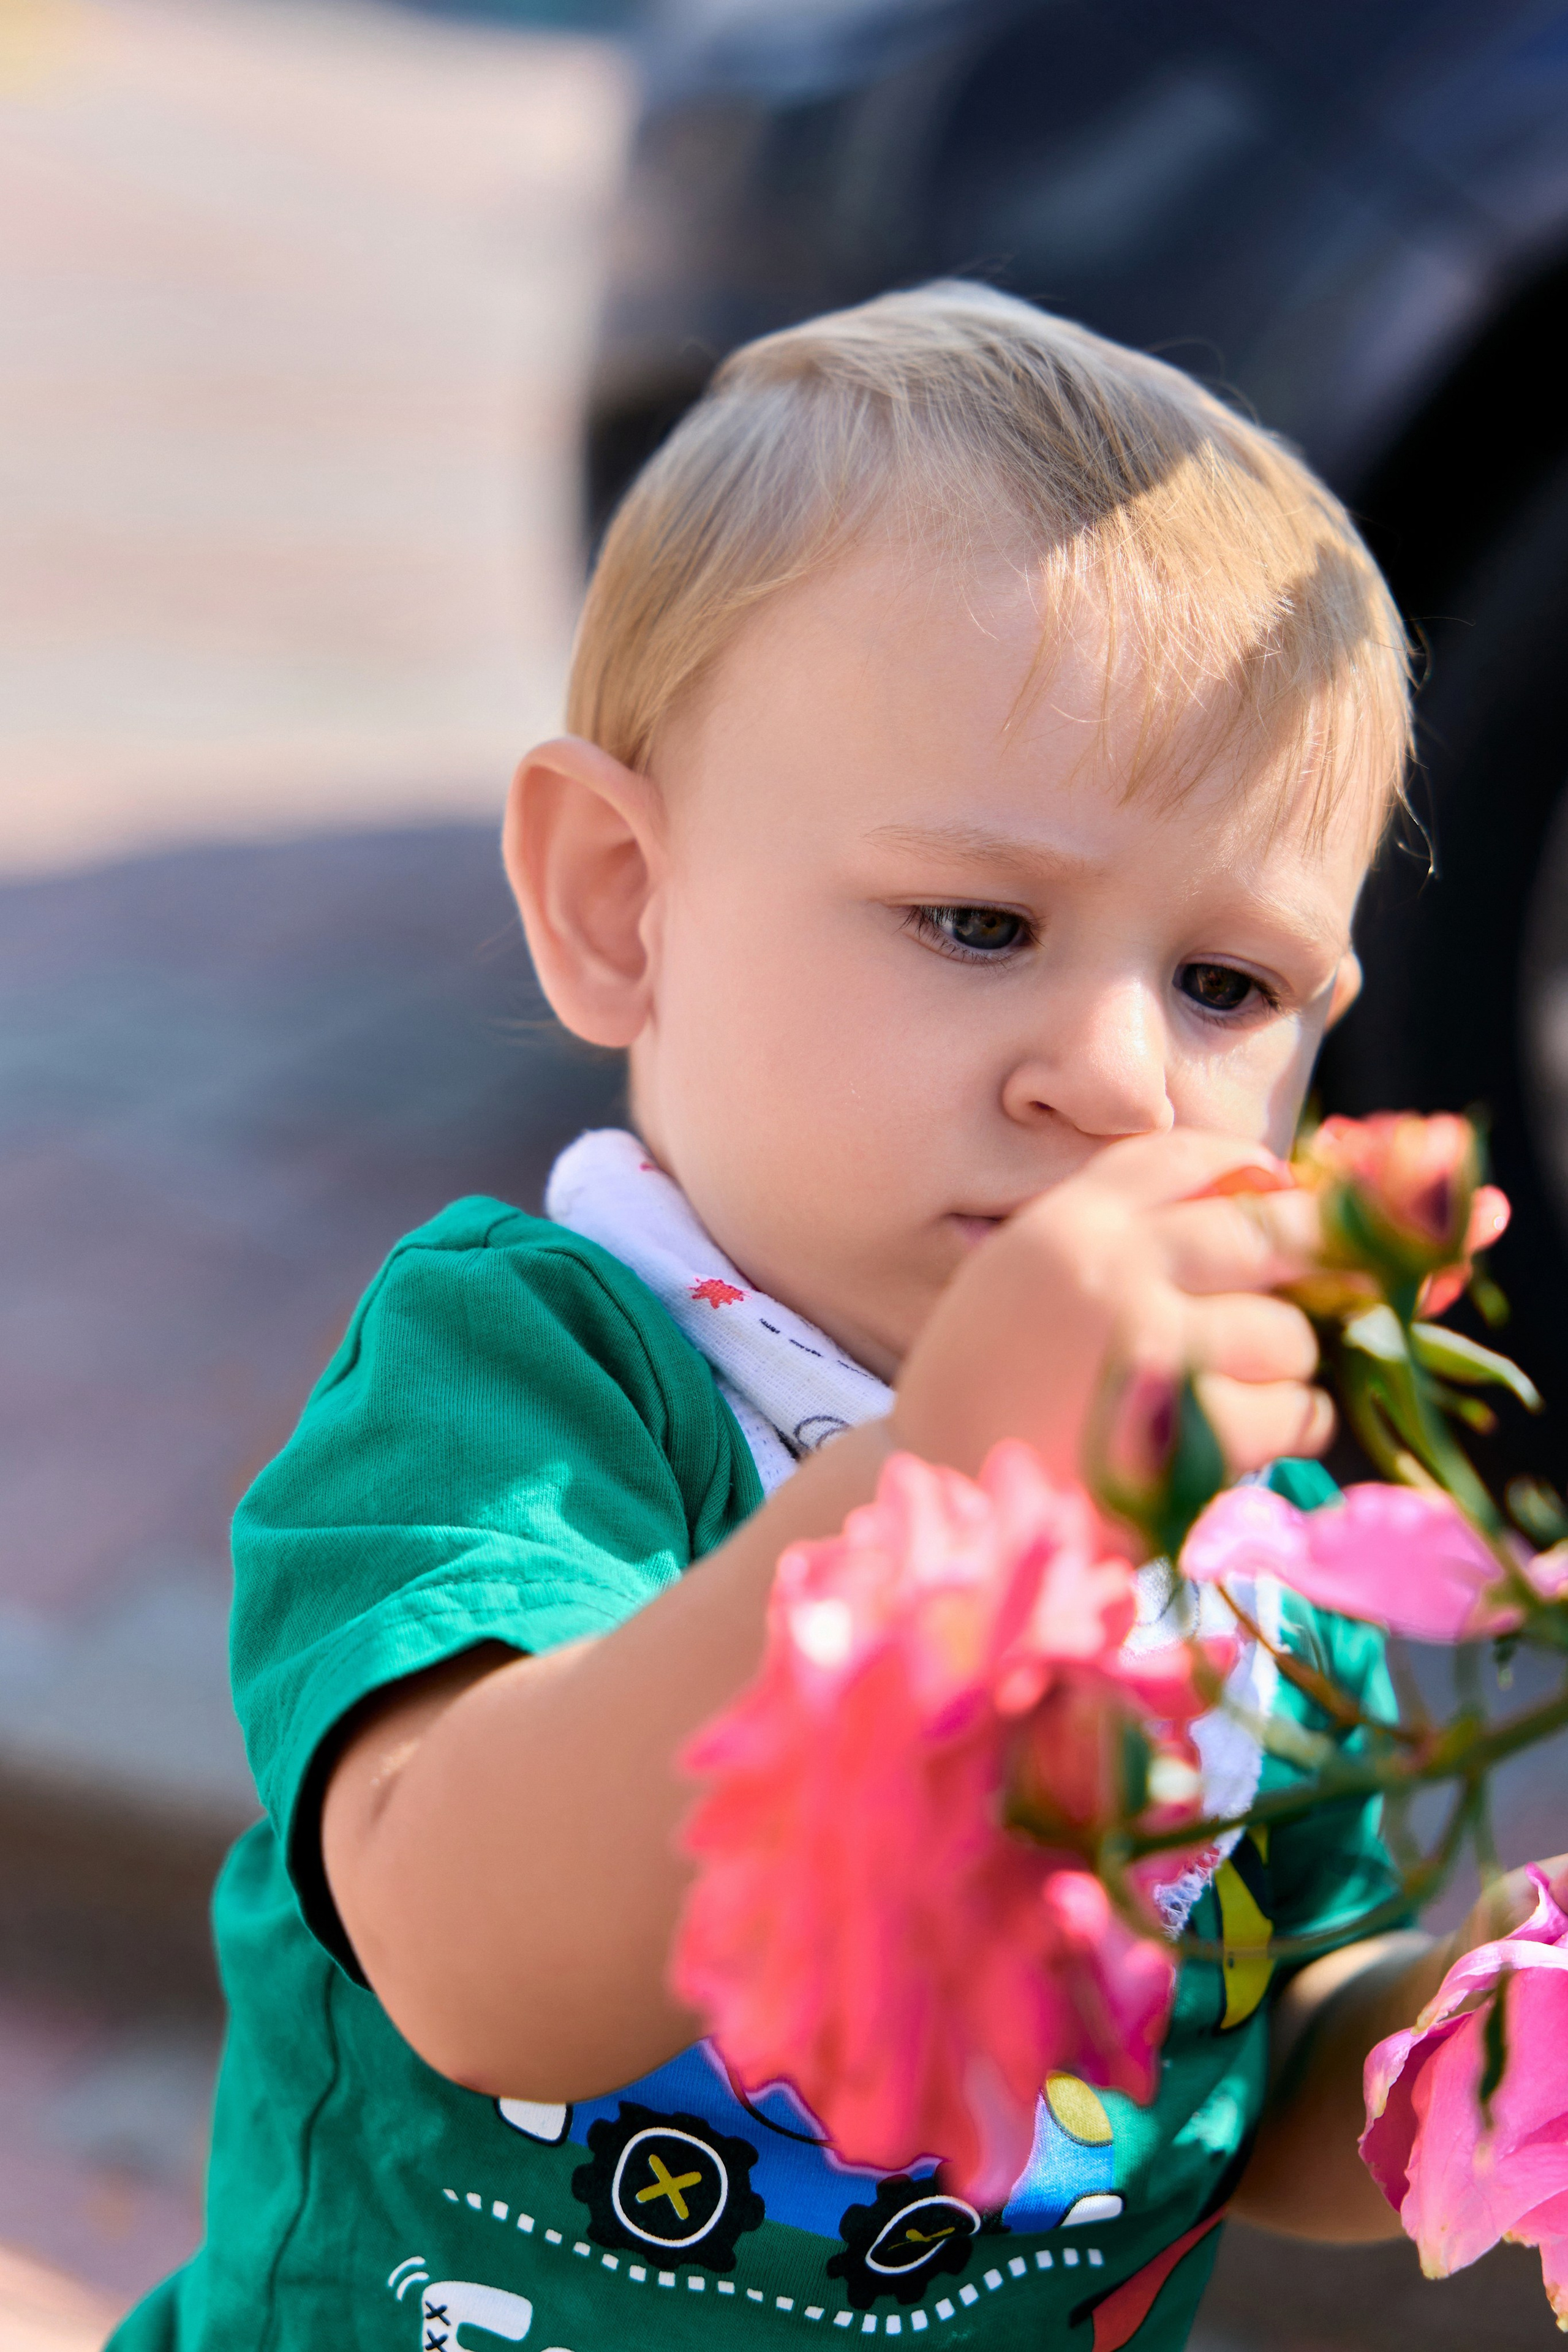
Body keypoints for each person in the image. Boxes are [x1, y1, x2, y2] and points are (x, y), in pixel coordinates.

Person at [109, 283, 1550, 2352]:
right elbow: (471, 1941)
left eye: (1226, 987)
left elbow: (1248, 2049)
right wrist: (954, 1483)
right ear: (623, 901)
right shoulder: (540, 1377)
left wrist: (1469, 2062)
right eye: (981, 923)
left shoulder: (1248, 1534)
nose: (1123, 1081)